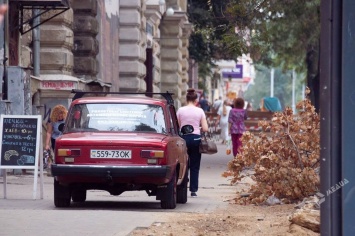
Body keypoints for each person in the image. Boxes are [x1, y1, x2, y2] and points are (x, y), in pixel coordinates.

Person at [177, 88, 209, 197]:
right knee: (195, 165)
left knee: (183, 164)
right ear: (196, 100)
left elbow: (177, 125)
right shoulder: (200, 111)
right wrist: (198, 127)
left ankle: (181, 186)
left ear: (186, 99)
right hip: (195, 139)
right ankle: (193, 190)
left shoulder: (180, 110)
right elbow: (205, 128)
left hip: (183, 139)